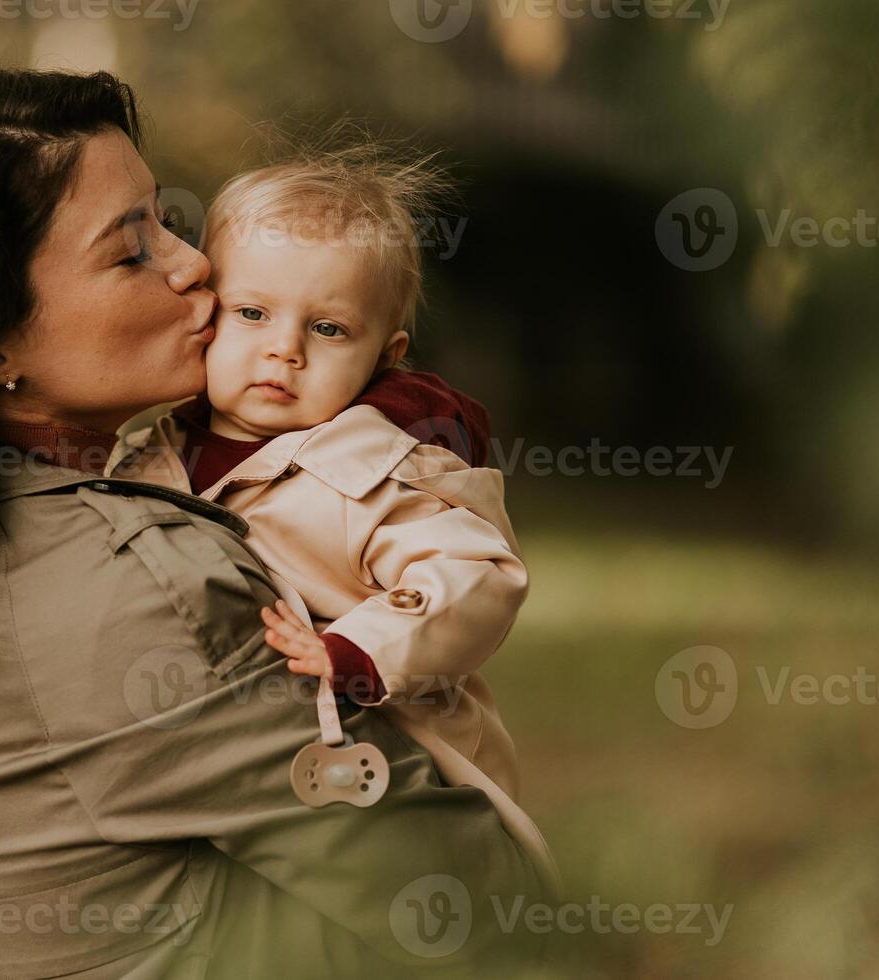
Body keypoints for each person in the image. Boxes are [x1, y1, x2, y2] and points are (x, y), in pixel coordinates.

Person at [0, 66, 544, 978]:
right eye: (132, 250)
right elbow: (481, 910)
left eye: (166, 220)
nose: (195, 263)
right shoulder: (145, 585)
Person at [106, 144, 559, 888]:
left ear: (385, 356)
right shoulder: (151, 451)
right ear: (205, 312)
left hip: (401, 768)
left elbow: (479, 573)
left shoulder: (373, 470)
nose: (283, 351)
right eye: (252, 313)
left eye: (328, 330)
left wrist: (358, 649)